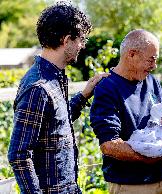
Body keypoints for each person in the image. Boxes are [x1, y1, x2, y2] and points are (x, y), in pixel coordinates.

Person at [7, 2, 109, 193]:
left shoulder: (53, 77)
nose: (83, 46)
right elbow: (19, 155)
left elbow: (54, 124)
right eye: (81, 39)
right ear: (67, 39)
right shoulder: (38, 87)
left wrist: (84, 94)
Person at [90, 29, 162, 194]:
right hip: (133, 186)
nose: (154, 66)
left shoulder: (151, 81)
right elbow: (109, 145)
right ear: (131, 54)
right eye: (151, 59)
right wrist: (153, 156)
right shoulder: (107, 88)